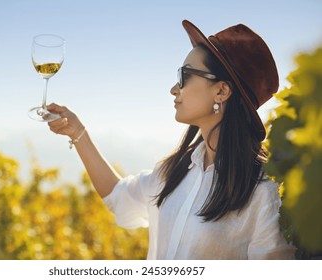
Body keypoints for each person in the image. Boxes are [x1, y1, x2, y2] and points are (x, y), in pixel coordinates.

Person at [46, 20, 296, 259]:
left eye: (184, 75)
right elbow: (118, 196)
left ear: (221, 91)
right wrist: (78, 132)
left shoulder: (265, 193)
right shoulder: (174, 170)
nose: (174, 88)